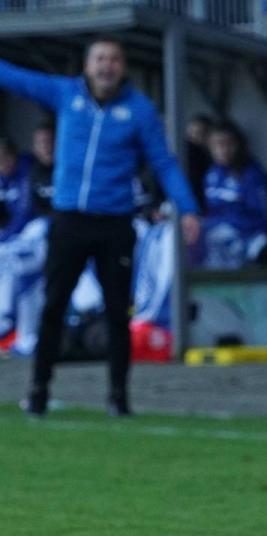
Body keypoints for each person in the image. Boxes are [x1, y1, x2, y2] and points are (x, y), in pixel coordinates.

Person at [0, 37, 200, 417]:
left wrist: (188, 208)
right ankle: (38, 391)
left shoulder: (139, 111)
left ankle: (118, 398)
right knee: (54, 305)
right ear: (88, 65)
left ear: (122, 67)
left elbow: (164, 162)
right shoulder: (65, 94)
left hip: (114, 223)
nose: (106, 66)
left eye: (114, 60)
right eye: (100, 59)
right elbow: (14, 78)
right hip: (69, 220)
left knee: (115, 312)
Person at [192, 120, 267, 269]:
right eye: (217, 145)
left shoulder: (252, 175)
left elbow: (264, 219)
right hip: (213, 234)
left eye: (228, 144)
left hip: (245, 236)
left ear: (239, 145)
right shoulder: (212, 174)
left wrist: (227, 225)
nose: (223, 150)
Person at [0, 135, 34, 243]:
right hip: (13, 228)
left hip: (32, 226)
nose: (3, 162)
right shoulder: (3, 176)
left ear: (15, 154)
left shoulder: (26, 170)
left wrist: (4, 237)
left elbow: (24, 213)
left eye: (6, 155)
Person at [29, 121, 55, 217]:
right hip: (45, 220)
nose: (46, 147)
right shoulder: (33, 172)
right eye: (41, 143)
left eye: (49, 141)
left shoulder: (72, 172)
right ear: (34, 149)